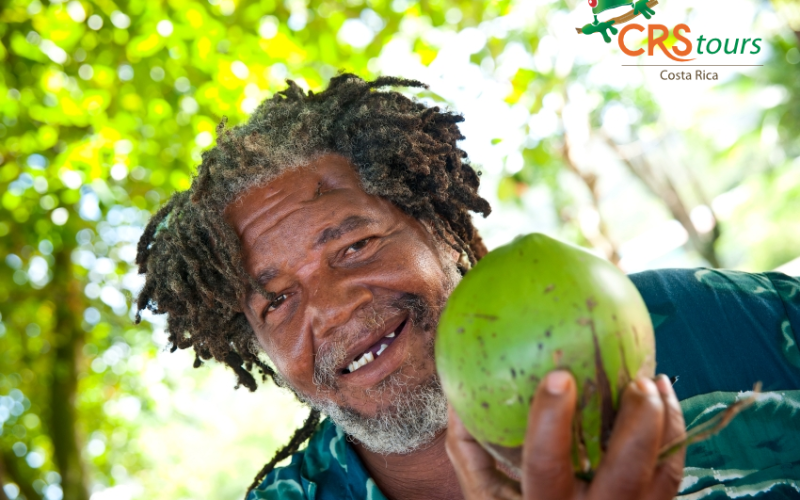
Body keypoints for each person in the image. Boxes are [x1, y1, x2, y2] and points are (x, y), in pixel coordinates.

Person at [134, 75, 800, 500]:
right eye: (277, 301)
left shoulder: (708, 322)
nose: (335, 308)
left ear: (456, 241)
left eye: (355, 245)